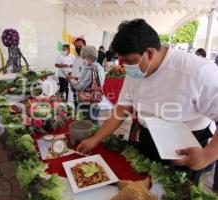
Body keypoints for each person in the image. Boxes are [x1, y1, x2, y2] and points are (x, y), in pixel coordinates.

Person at [77, 19, 218, 181]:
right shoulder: (135, 72)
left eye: (129, 61)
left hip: (186, 149)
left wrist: (207, 155)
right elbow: (121, 109)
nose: (126, 67)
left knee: (174, 190)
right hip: (147, 139)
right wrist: (96, 138)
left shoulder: (199, 71)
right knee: (145, 186)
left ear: (150, 53)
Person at [68, 46, 105, 121]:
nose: (83, 59)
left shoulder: (89, 68)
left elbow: (80, 86)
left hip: (87, 101)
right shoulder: (99, 67)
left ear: (89, 57)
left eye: (84, 57)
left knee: (85, 122)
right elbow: (93, 81)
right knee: (94, 120)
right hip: (96, 99)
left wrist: (70, 80)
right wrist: (77, 78)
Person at [71, 38, 86, 110]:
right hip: (75, 87)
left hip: (84, 90)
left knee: (84, 111)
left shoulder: (88, 59)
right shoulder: (76, 58)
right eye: (76, 47)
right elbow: (76, 71)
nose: (78, 48)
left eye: (80, 46)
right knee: (77, 108)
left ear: (85, 46)